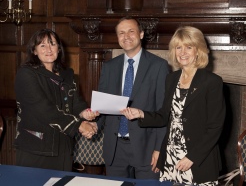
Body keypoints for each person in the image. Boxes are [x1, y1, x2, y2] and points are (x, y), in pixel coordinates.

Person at [121, 26, 226, 185]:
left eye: (189, 47)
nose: (183, 52)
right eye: (178, 47)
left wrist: (192, 157)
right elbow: (164, 115)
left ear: (198, 50)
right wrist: (141, 114)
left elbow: (215, 127)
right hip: (171, 156)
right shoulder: (171, 79)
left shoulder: (212, 82)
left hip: (197, 159)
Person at [95, 16, 170, 179]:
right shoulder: (109, 67)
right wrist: (92, 124)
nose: (126, 36)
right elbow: (101, 107)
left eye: (131, 31)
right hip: (115, 149)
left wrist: (159, 148)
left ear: (141, 34)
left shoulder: (159, 66)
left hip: (147, 148)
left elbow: (163, 111)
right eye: (121, 33)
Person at [14, 28, 99, 171]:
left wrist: (86, 114)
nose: (48, 49)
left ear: (59, 48)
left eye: (52, 44)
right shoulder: (26, 74)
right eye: (42, 45)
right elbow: (42, 109)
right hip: (36, 148)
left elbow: (75, 102)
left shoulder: (67, 75)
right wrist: (79, 126)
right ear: (34, 51)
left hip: (64, 147)